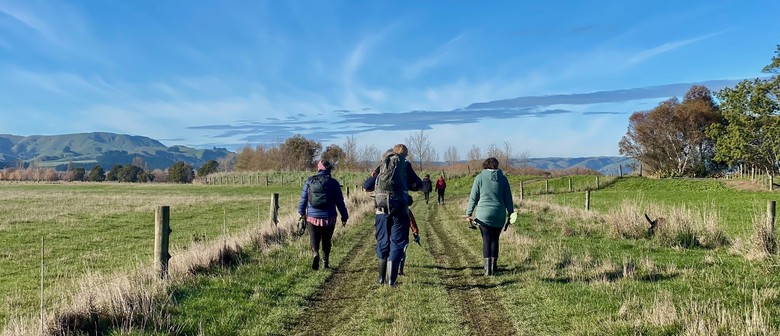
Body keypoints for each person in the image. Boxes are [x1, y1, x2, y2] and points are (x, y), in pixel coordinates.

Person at [362, 144, 422, 287]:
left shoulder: (383, 164)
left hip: (381, 210)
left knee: (382, 242)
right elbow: (419, 184)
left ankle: (381, 278)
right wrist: (408, 186)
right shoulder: (405, 165)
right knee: (397, 243)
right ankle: (391, 281)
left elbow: (366, 186)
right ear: (405, 155)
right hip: (400, 210)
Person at [465, 157, 513, 276]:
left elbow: (473, 197)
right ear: (497, 166)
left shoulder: (479, 178)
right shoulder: (503, 179)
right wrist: (511, 214)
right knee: (495, 239)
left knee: (486, 240)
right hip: (499, 214)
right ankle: (494, 267)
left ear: (485, 165)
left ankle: (487, 270)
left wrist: (469, 213)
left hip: (483, 215)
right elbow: (508, 199)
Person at [298, 159, 349, 270]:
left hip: (312, 217)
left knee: (314, 238)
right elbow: (340, 202)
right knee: (326, 240)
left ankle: (315, 253)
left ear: (319, 168)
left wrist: (301, 212)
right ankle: (325, 263)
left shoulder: (310, 181)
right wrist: (344, 216)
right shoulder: (334, 183)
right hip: (329, 217)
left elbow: (303, 199)